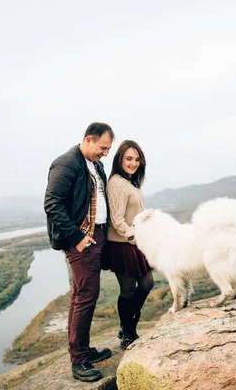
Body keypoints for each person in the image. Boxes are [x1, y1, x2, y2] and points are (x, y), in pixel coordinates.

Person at [44, 122, 114, 382]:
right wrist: (77, 238)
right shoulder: (67, 163)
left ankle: (83, 350)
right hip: (81, 239)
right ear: (88, 139)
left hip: (96, 235)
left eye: (108, 149)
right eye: (103, 148)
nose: (105, 153)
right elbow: (52, 204)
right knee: (86, 295)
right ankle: (79, 361)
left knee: (82, 294)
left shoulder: (95, 165)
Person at [103, 140, 154, 349]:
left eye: (137, 159)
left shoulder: (130, 182)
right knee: (128, 290)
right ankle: (128, 332)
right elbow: (117, 220)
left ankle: (128, 326)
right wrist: (134, 235)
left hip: (134, 241)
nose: (133, 163)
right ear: (120, 159)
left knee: (147, 283)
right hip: (122, 243)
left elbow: (133, 213)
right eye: (129, 159)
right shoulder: (116, 183)